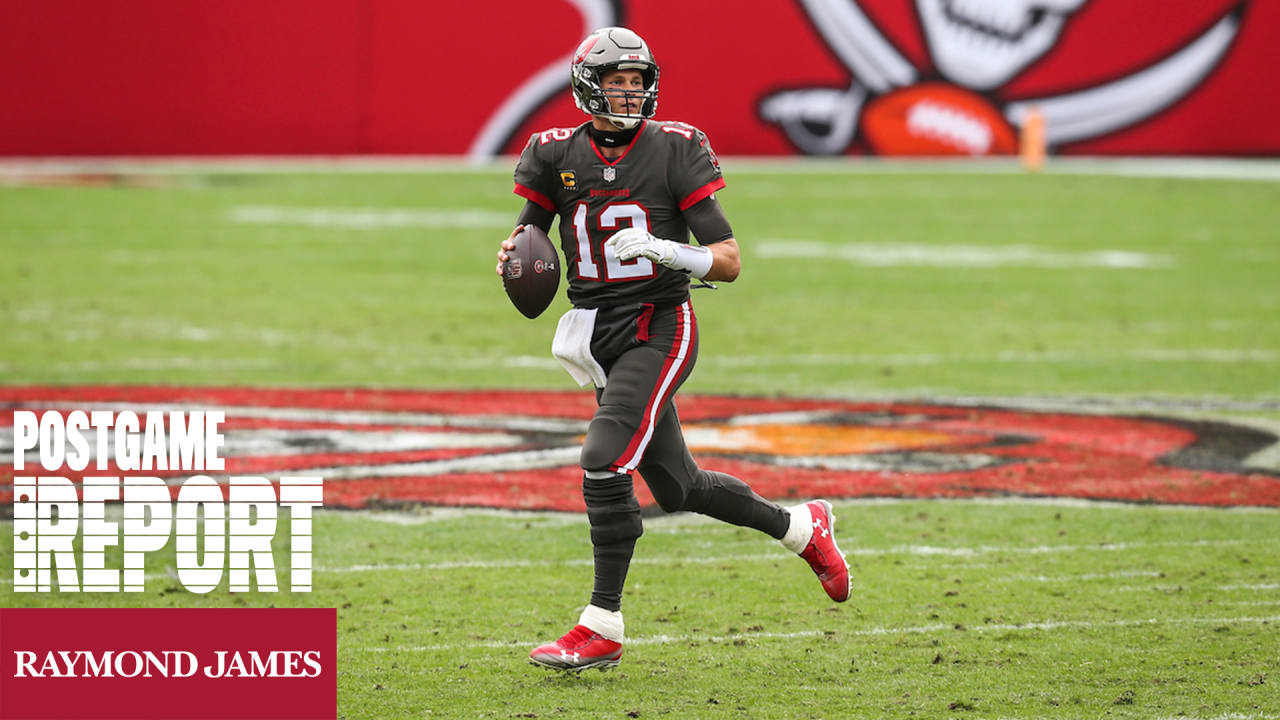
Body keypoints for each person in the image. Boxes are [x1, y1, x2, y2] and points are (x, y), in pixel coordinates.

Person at [494, 26, 851, 673]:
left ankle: (600, 625)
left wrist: (668, 250)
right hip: (598, 331)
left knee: (603, 459)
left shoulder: (677, 149)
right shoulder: (552, 153)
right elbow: (530, 238)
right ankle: (803, 528)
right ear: (587, 88)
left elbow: (730, 260)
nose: (628, 95)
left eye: (637, 83)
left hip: (660, 323)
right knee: (678, 486)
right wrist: (513, 256)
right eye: (615, 83)